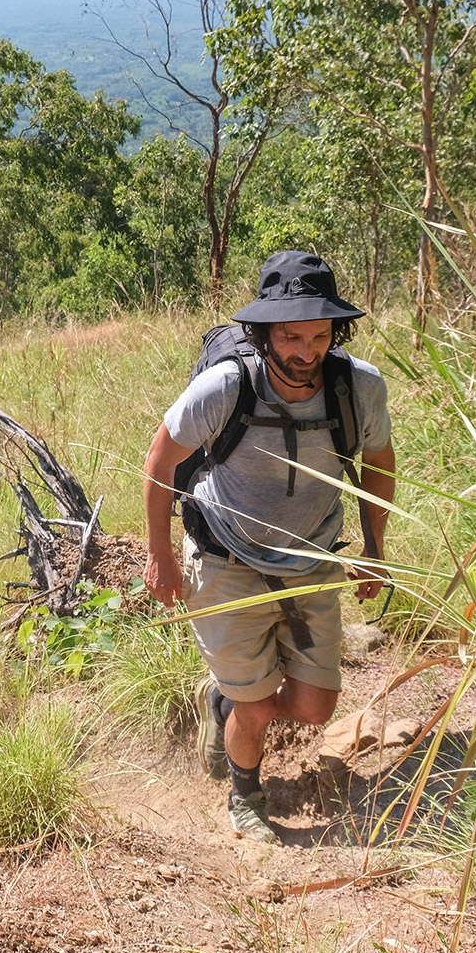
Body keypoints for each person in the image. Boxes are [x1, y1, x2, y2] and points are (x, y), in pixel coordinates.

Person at [141, 251, 396, 846]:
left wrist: (375, 548)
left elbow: (379, 465)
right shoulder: (226, 386)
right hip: (226, 557)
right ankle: (246, 793)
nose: (306, 351)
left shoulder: (358, 387)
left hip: (312, 558)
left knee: (314, 707)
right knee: (256, 705)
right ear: (263, 333)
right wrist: (161, 554)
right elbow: (160, 460)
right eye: (291, 336)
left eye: (319, 334)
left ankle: (228, 701)